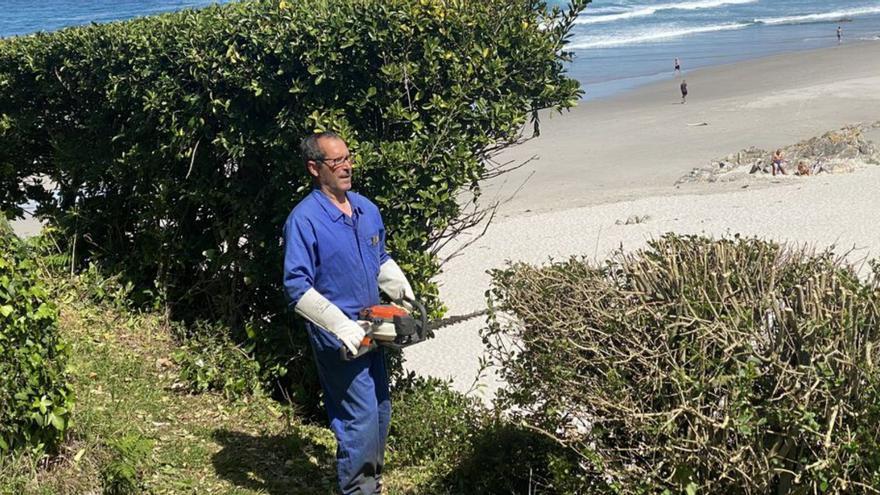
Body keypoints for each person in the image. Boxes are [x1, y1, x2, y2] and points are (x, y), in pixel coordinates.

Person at [283, 131, 416, 495]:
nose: (346, 167)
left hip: (374, 329)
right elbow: (296, 287)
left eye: (348, 159)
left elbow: (381, 258)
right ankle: (359, 490)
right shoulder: (304, 219)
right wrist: (342, 327)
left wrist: (407, 299)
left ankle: (370, 483)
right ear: (315, 168)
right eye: (336, 161)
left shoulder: (365, 209)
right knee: (359, 420)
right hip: (339, 339)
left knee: (381, 413)